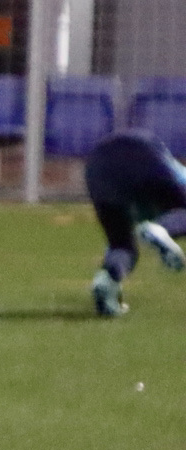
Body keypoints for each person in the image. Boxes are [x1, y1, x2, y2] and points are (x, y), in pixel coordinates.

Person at [82, 129, 186, 316]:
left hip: (97, 164)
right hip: (142, 151)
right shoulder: (177, 176)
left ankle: (106, 282)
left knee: (121, 244)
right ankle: (160, 229)